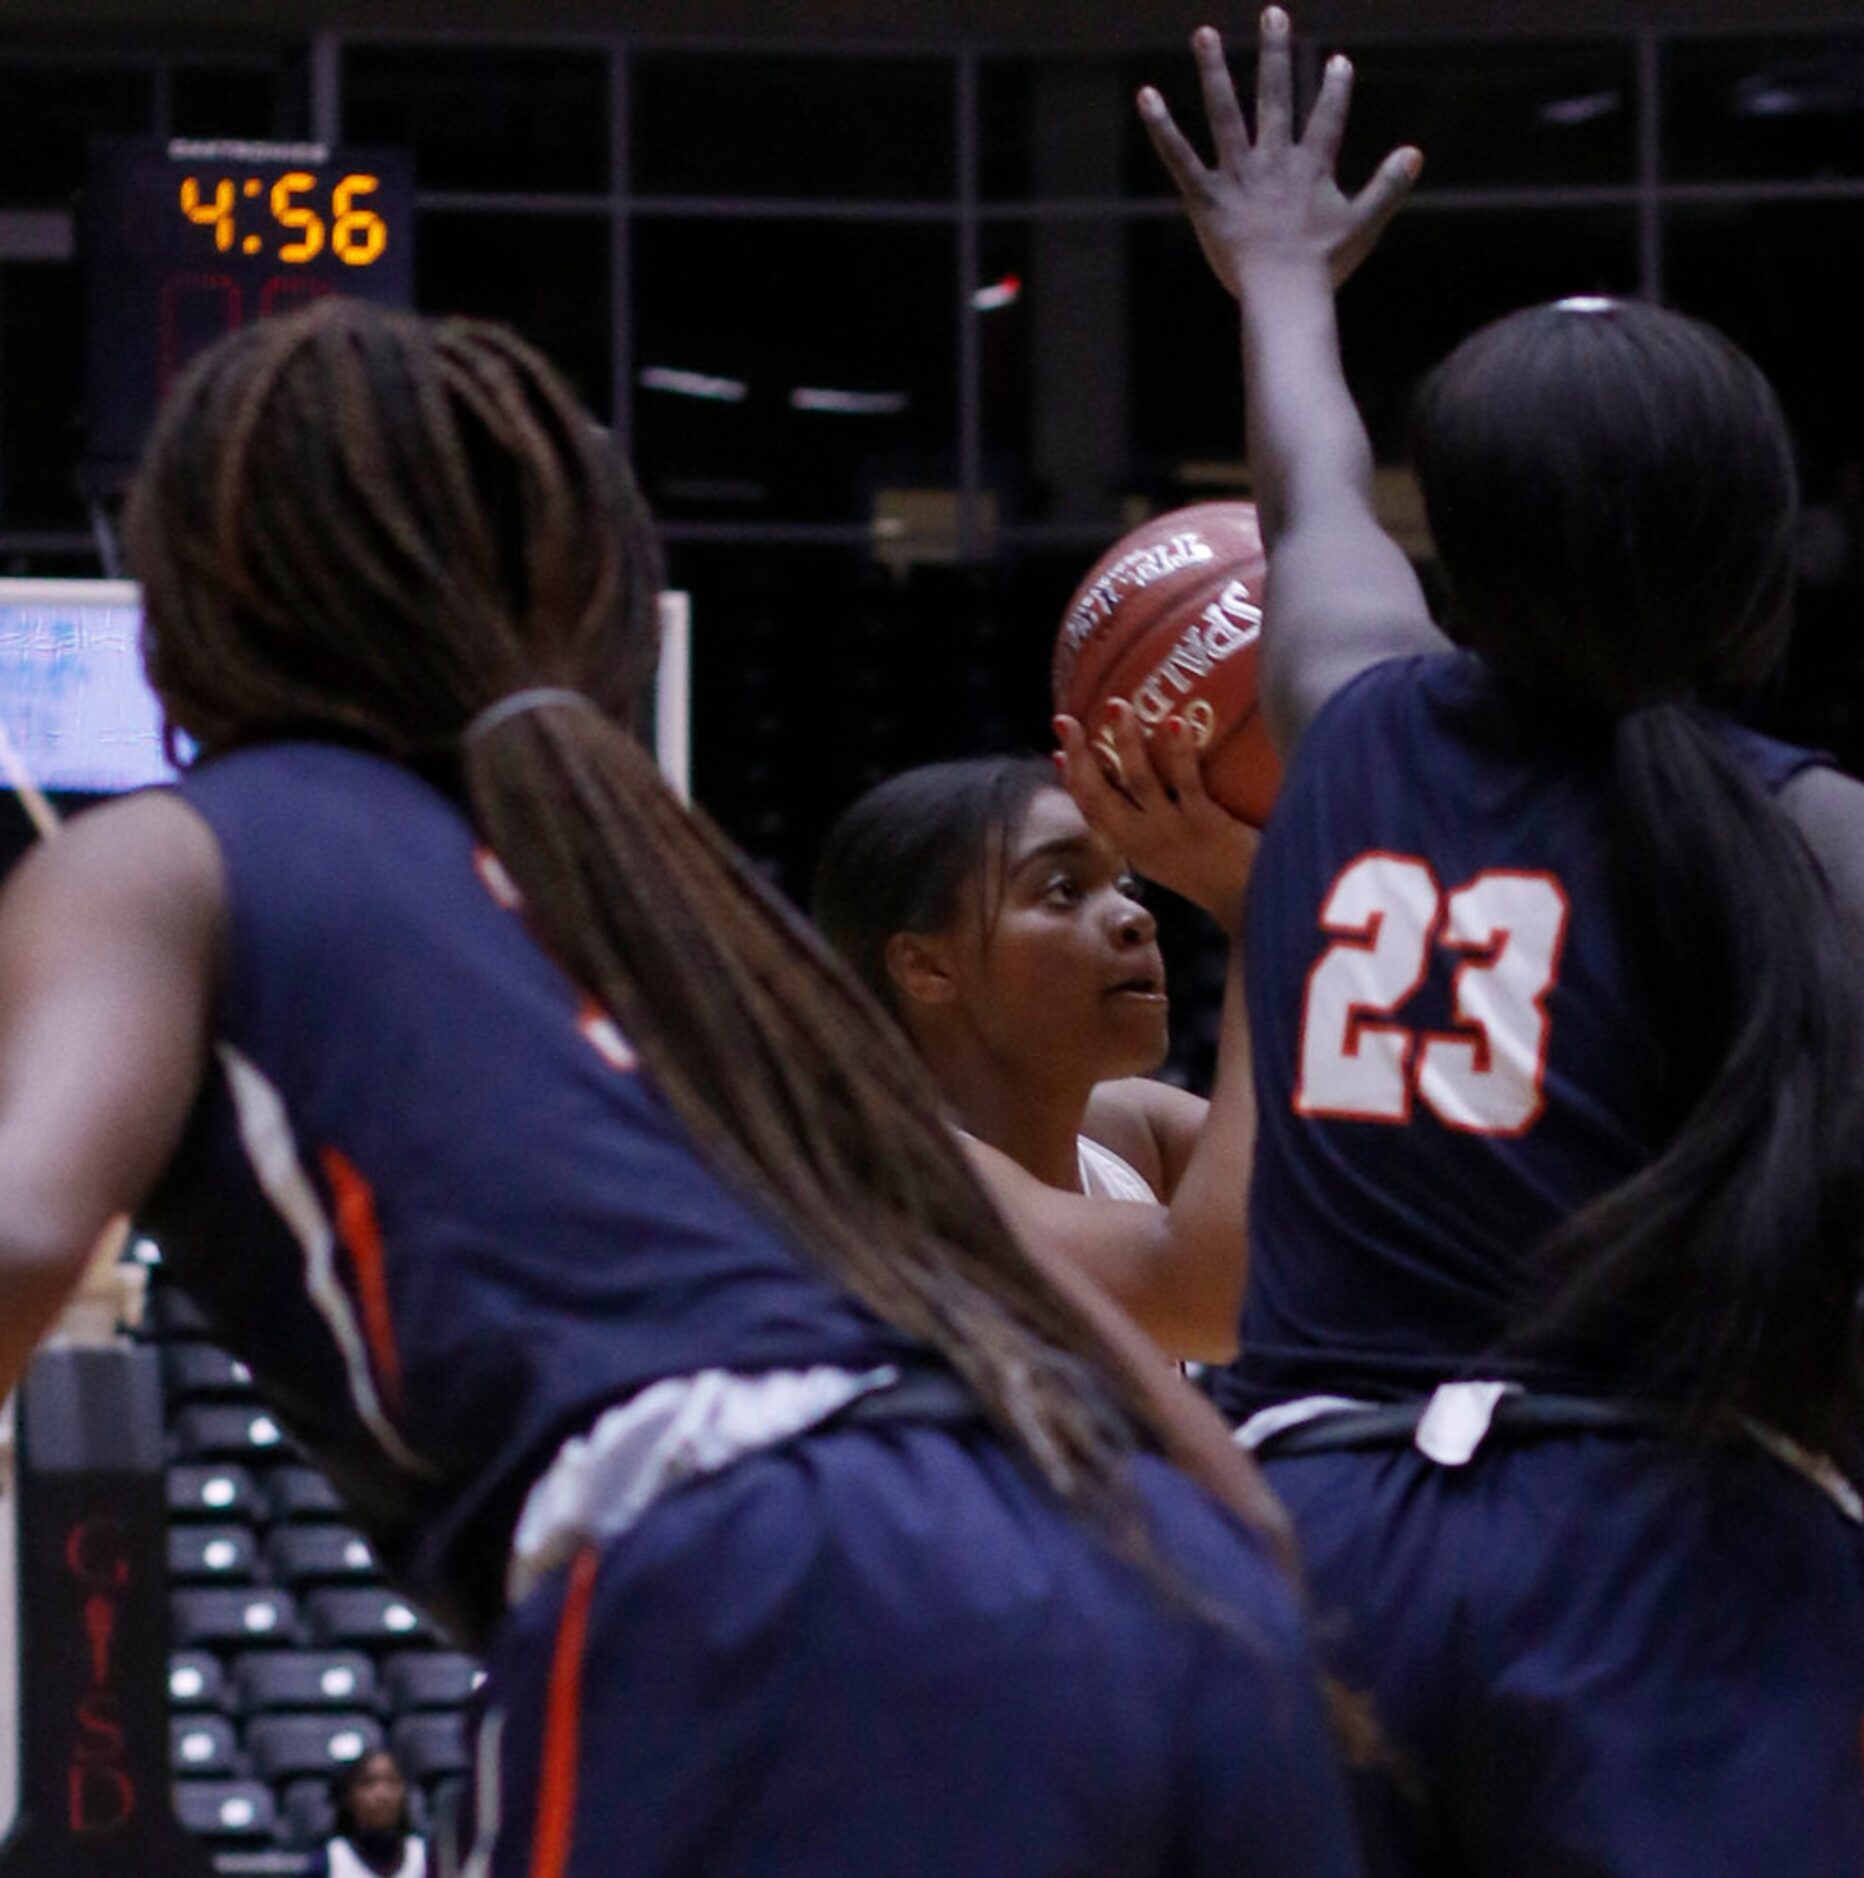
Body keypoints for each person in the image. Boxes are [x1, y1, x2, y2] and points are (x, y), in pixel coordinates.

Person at [0, 298, 1366, 1874]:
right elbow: (1077, 1332)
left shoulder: (165, 855)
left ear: (197, 594)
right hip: (1150, 1555)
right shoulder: (653, 895)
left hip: (745, 1570)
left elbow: (30, 1227)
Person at [1123, 12, 1864, 1872]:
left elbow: (1310, 479)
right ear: (1760, 566)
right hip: (1666, 1562)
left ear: (1455, 562)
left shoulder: (1342, 705)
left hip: (1309, 1551)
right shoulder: (1851, 853)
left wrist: (1276, 272)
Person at [813, 723, 1257, 1361]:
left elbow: (1360, 1224)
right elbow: (1220, 1301)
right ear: (925, 967)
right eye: (1064, 891)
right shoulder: (899, 1173)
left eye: (1126, 887)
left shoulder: (1134, 1130)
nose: (1136, 918)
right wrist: (1260, 910)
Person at [304, 1750, 428, 1878]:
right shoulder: (327, 1860)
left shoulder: (426, 1857)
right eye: (369, 1782)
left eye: (392, 1781)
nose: (382, 1794)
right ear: (348, 1795)